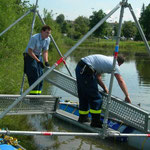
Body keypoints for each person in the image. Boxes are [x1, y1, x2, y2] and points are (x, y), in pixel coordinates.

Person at [75, 54, 131, 128]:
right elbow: (120, 80)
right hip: (86, 70)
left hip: (80, 68)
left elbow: (97, 76)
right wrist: (127, 95)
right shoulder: (115, 65)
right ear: (120, 63)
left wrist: (104, 87)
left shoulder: (108, 59)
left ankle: (83, 117)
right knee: (96, 98)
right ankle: (95, 122)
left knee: (84, 95)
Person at [24, 25, 51, 95]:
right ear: (42, 31)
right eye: (47, 33)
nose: (48, 34)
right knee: (34, 75)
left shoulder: (47, 39)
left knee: (41, 76)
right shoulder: (34, 38)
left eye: (49, 33)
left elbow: (45, 51)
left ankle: (38, 96)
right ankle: (33, 98)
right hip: (29, 55)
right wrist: (38, 61)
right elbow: (30, 51)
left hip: (38, 56)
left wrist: (46, 61)